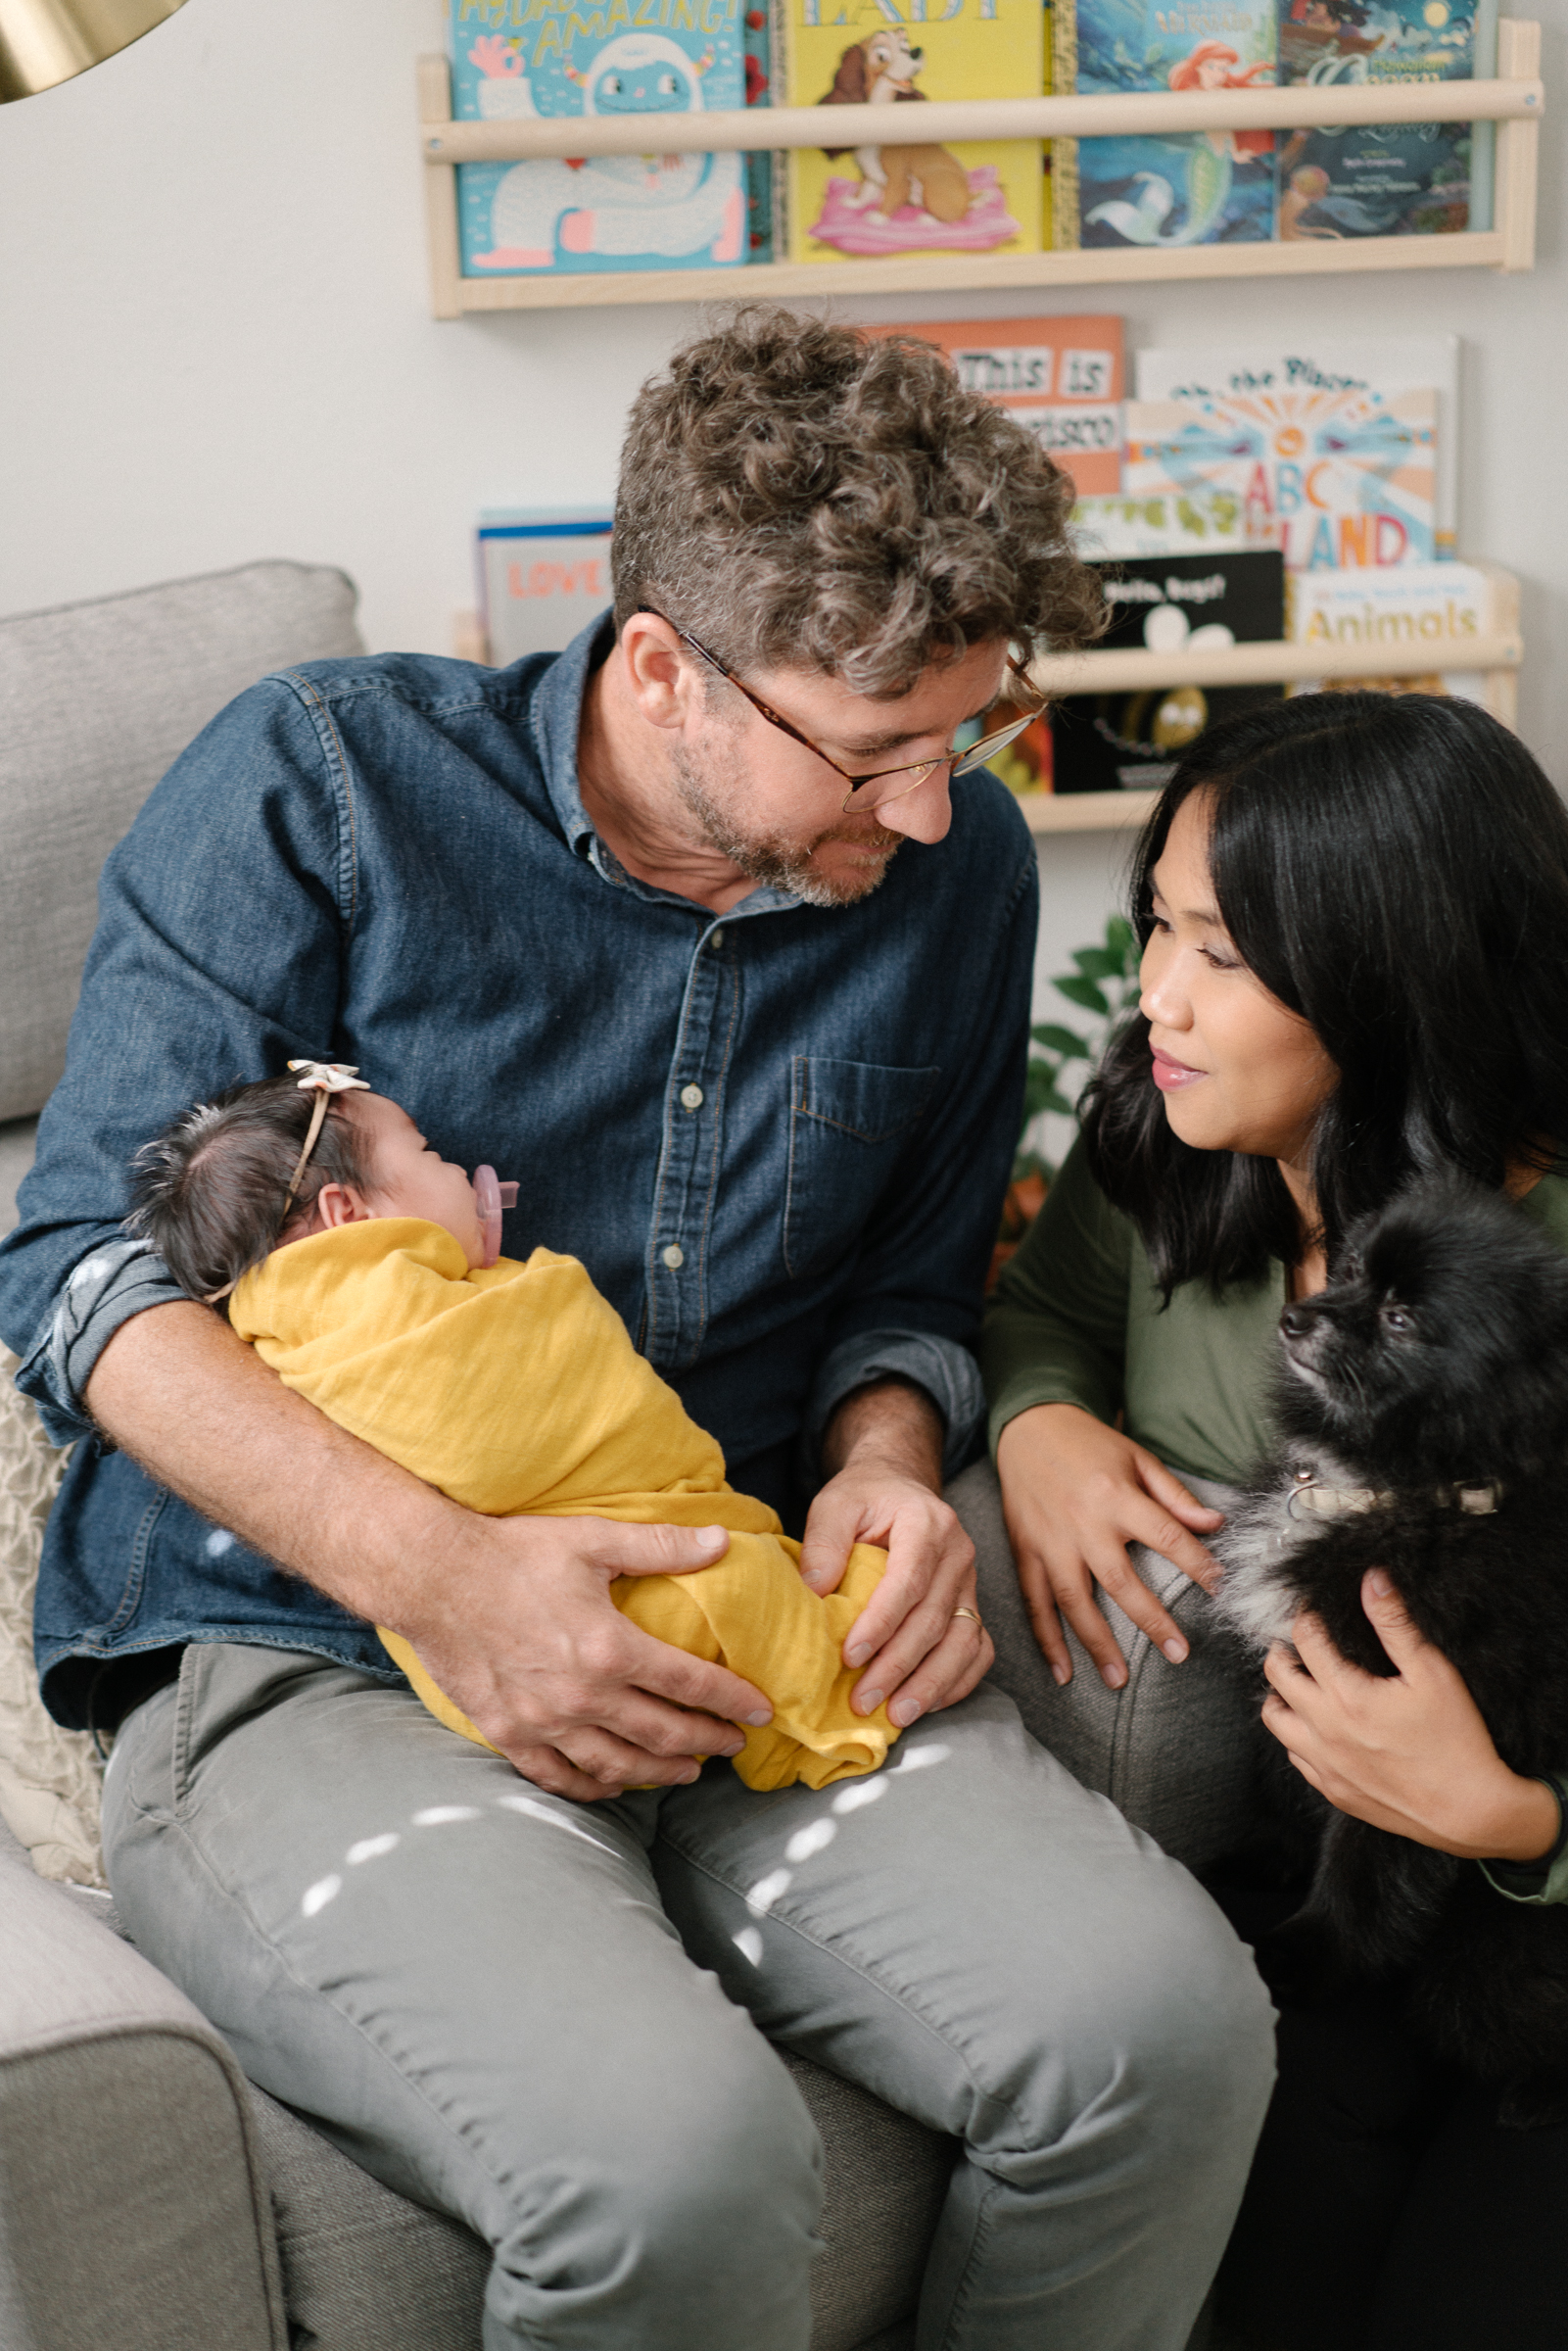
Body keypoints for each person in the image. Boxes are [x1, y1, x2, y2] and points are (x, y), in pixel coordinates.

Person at [0, 310, 1274, 2351]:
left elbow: (906, 1288)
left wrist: (883, 1468)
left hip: (744, 1606)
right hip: (324, 1644)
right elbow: (79, 1268)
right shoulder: (321, 782)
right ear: (664, 667)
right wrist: (446, 1573)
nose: (928, 813)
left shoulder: (947, 881)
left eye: (963, 738)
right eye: (871, 752)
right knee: (671, 2170)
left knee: (1163, 2036)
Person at [978, 690, 1568, 2351]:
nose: (1154, 996)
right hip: (1323, 1917)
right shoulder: (1175, 1137)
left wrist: (1517, 1821)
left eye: (1220, 955)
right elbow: (1041, 1315)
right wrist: (1040, 1426)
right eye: (1158, 926)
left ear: (1391, 982)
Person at [132, 1063, 898, 1790]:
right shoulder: (380, 1321)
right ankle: (816, 1708)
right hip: (580, 1610)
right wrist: (545, 1307)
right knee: (743, 1590)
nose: (462, 1174)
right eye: (430, 1156)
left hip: (474, 1677)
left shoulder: (273, 1333)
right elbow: (496, 1437)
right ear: (347, 1213)